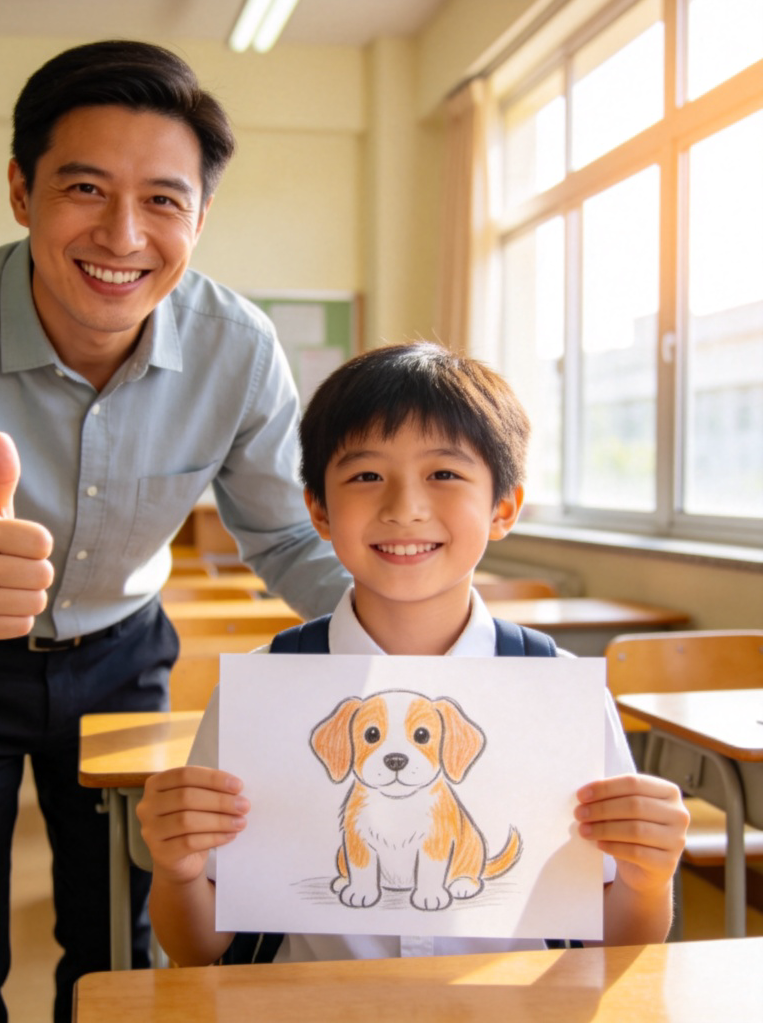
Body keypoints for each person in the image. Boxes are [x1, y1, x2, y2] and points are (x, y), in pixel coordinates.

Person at [0, 40, 349, 1022]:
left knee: (114, 945)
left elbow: (287, 541)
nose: (123, 234)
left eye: (164, 200)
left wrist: (422, 625)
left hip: (121, 660)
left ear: (200, 216)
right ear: (21, 188)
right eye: (85, 188)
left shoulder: (238, 347)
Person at [137, 340, 690, 966]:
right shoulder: (261, 692)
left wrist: (649, 878)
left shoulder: (561, 692)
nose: (405, 508)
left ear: (503, 506)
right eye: (366, 475)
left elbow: (620, 947)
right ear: (317, 508)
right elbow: (198, 951)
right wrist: (177, 870)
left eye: (445, 474)